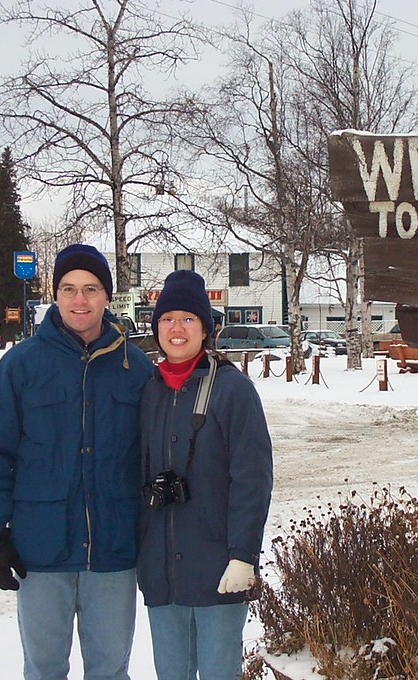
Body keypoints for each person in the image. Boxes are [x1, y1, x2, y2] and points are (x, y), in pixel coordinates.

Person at [0, 244, 154, 680]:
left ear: (107, 297)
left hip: (113, 552)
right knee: (44, 669)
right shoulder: (22, 365)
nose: (79, 300)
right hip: (40, 551)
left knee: (110, 670)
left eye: (90, 289)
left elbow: (158, 453)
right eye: (68, 289)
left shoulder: (136, 368)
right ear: (54, 295)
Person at [137, 270, 273, 680]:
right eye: (167, 318)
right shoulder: (147, 390)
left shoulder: (234, 391)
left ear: (205, 329)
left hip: (219, 570)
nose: (176, 329)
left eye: (188, 319)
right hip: (162, 571)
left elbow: (253, 478)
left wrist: (243, 555)